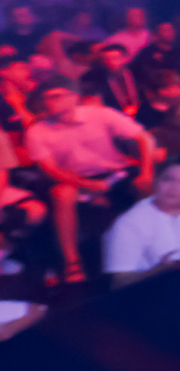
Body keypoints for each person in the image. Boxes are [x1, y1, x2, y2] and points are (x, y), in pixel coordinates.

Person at [23, 78, 156, 282]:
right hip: (73, 177)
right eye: (45, 98)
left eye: (55, 96)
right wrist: (87, 184)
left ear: (74, 97)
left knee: (149, 183)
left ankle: (152, 243)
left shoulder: (100, 114)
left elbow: (144, 138)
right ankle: (72, 260)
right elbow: (51, 169)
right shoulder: (37, 131)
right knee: (62, 194)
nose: (49, 102)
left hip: (113, 171)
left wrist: (147, 172)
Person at [83, 41, 145, 120]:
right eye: (106, 59)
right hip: (114, 117)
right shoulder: (96, 78)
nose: (110, 62)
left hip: (143, 115)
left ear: (125, 58)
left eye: (115, 58)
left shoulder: (138, 73)